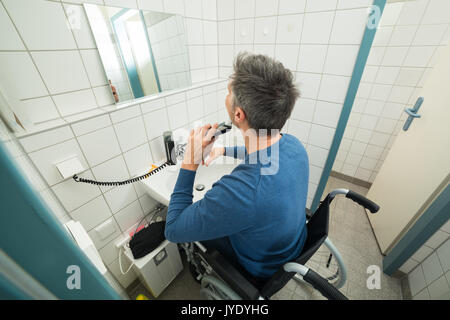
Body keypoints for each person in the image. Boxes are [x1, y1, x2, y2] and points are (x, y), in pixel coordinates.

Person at [165, 52, 309, 283]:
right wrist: (224, 151)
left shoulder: (243, 191)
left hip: (259, 268)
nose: (227, 96)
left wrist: (190, 161)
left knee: (194, 232)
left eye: (228, 92)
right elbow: (264, 156)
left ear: (238, 114)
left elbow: (172, 229)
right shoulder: (294, 145)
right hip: (291, 246)